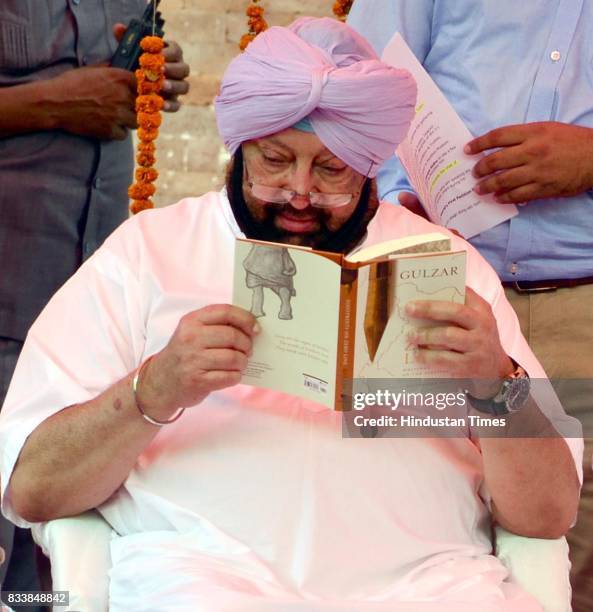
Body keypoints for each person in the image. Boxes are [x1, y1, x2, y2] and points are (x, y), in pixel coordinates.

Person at [0, 17, 582, 612]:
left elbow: (549, 513)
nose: (299, 192)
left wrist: (496, 383)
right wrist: (154, 388)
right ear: (240, 148)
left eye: (331, 170)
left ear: (370, 166)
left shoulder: (446, 265)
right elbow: (35, 487)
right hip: (203, 581)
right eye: (275, 161)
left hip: (429, 586)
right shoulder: (150, 254)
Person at [346, 2, 593, 609]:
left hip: (580, 307)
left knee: (567, 539)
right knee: (408, 514)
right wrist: (400, 200)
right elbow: (354, 82)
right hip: (430, 286)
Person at [0, 0, 189, 598]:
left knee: (59, 523)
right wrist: (51, 102)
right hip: (10, 257)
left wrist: (150, 75)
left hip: (89, 279)